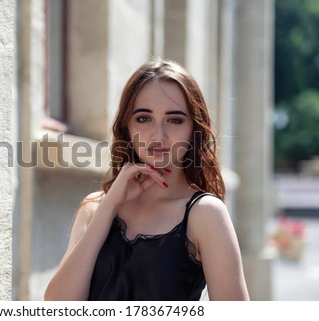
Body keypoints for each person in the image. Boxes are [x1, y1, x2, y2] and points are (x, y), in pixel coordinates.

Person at [44, 58, 249, 301]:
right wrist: (109, 206)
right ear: (126, 127)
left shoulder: (206, 214)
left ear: (194, 130)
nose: (158, 135)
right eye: (143, 118)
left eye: (174, 120)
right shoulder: (94, 208)